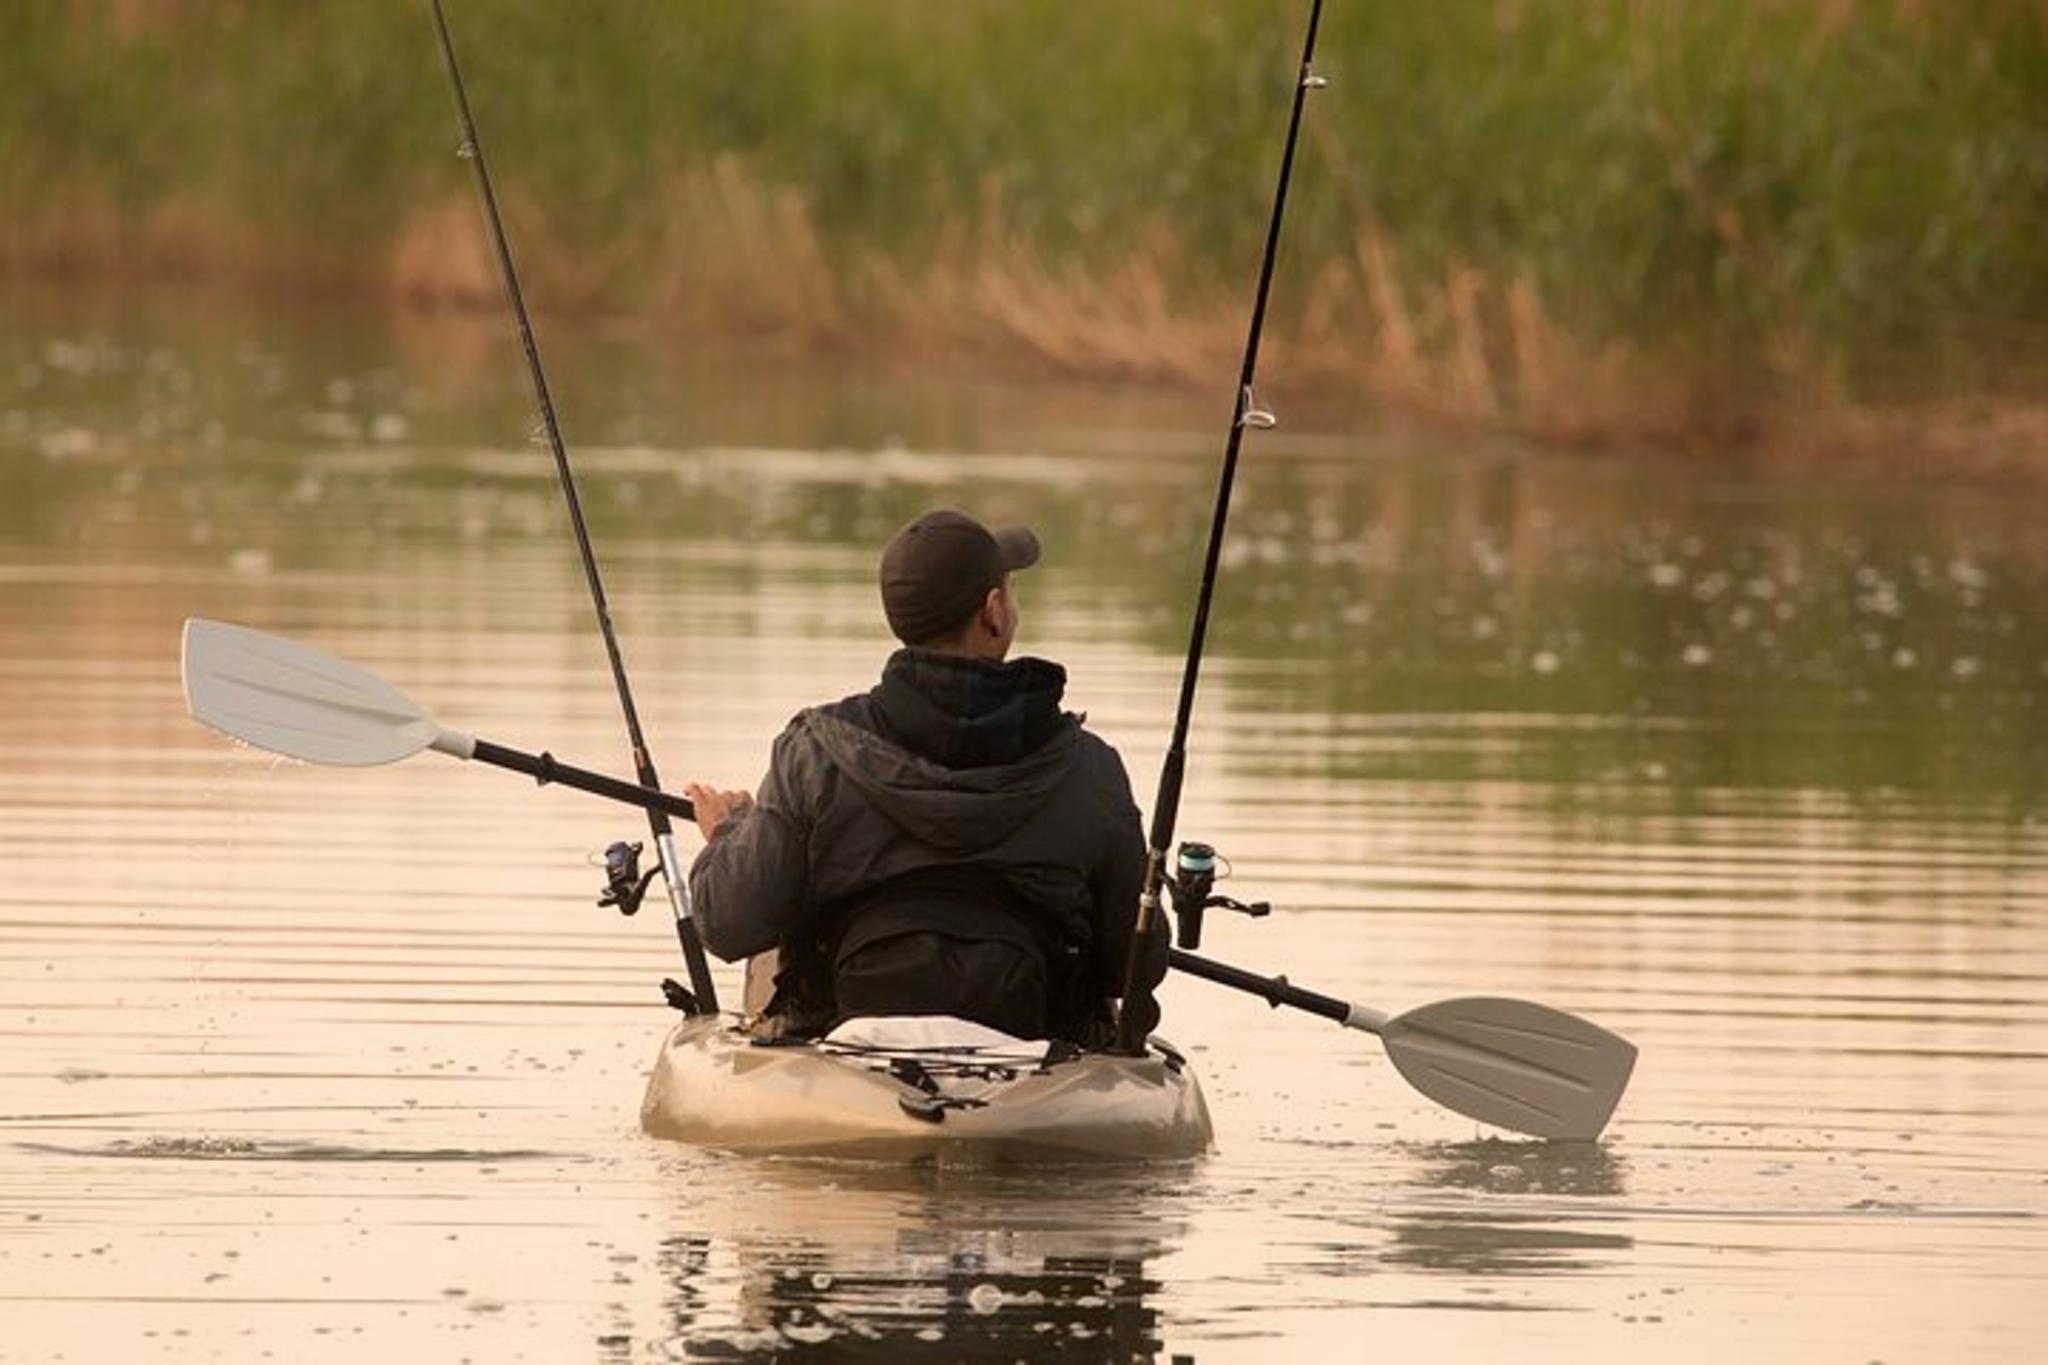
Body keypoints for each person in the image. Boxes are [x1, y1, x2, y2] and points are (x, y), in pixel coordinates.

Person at [683, 508, 1155, 1045]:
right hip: (1034, 1056)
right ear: (994, 612)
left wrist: (729, 834)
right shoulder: (1090, 768)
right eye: (1012, 592)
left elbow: (729, 924)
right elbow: (1131, 965)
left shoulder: (813, 753)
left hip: (844, 1051)